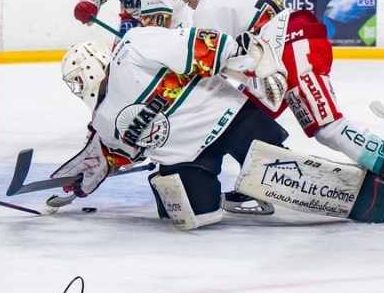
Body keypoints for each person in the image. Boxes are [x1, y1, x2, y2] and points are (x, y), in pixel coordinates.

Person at [165, 0, 384, 212]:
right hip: (279, 51)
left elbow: (215, 67)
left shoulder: (205, 13)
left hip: (292, 45)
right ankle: (261, 188)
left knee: (326, 127)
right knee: (241, 121)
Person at [55, 28, 291, 230]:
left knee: (272, 163)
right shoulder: (103, 122)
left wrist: (252, 57)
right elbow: (114, 155)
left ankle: (282, 168)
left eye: (77, 79)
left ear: (90, 65)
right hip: (187, 157)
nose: (78, 88)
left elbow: (201, 44)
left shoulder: (132, 49)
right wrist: (82, 177)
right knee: (197, 213)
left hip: (228, 118)